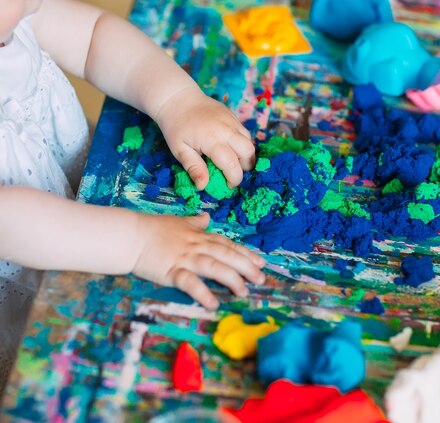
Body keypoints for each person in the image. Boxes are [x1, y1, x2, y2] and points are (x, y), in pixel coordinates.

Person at [0, 0, 266, 391]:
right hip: (34, 292)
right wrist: (139, 242)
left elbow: (92, 37)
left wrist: (176, 100)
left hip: (85, 197)